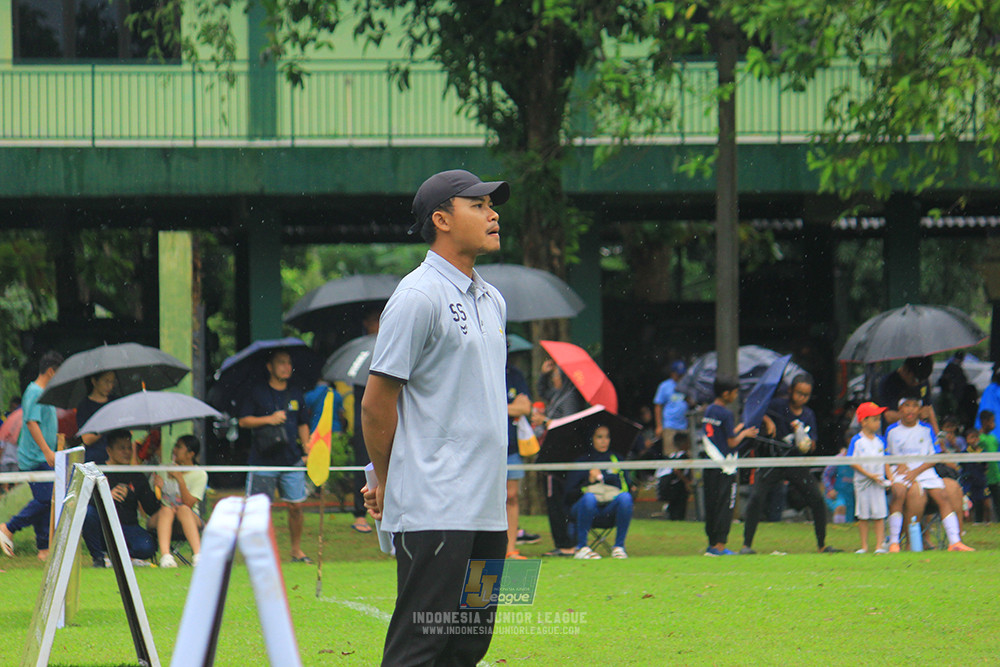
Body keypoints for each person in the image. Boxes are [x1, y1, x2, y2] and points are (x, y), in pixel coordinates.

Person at [361, 168, 510, 665]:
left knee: (468, 644)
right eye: (479, 205)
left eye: (493, 204)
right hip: (435, 506)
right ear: (442, 219)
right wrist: (387, 479)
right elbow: (376, 403)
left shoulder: (494, 300)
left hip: (487, 508)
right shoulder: (417, 297)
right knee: (421, 644)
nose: (493, 214)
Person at [741, 374, 839, 554]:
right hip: (774, 461)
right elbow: (756, 410)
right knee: (756, 498)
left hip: (796, 463)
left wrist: (807, 442)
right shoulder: (777, 405)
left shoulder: (809, 415)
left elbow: (812, 445)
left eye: (806, 395)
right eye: (799, 393)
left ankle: (822, 545)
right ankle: (746, 545)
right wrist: (768, 421)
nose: (802, 398)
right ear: (791, 391)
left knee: (817, 500)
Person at [238, 348, 312, 563]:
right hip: (263, 461)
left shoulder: (297, 393)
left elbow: (302, 423)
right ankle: (260, 552)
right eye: (281, 362)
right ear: (269, 367)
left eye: (289, 363)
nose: (286, 367)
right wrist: (268, 419)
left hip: (292, 460)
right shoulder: (257, 392)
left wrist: (307, 447)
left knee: (296, 506)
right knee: (259, 510)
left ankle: (296, 550)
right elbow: (243, 421)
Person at [885, 396, 973, 552]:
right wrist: (897, 464)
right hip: (902, 473)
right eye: (906, 405)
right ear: (900, 409)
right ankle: (894, 542)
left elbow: (935, 456)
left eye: (914, 406)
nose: (910, 409)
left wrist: (917, 471)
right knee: (899, 493)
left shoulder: (927, 429)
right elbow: (887, 456)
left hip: (925, 471)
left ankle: (955, 542)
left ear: (919, 410)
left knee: (942, 496)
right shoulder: (892, 431)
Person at [0, 351, 64, 560]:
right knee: (47, 498)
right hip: (35, 456)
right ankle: (8, 527)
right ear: (51, 371)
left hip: (43, 455)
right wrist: (47, 451)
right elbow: (31, 422)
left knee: (44, 499)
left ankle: (44, 548)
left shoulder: (43, 393)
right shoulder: (35, 392)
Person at [82, 430, 159, 567]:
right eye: (121, 448)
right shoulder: (97, 471)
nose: (127, 452)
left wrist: (156, 487)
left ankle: (120, 556)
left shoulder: (136, 475)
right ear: (109, 451)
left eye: (129, 448)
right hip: (104, 527)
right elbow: (83, 502)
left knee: (147, 546)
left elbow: (151, 508)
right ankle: (99, 557)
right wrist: (106, 496)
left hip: (128, 527)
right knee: (88, 513)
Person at [536, 356, 588, 557]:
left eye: (556, 372)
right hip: (555, 453)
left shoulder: (571, 396)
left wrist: (545, 420)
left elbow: (568, 425)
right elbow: (544, 392)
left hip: (559, 457)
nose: (554, 376)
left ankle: (565, 544)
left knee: (556, 500)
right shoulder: (560, 393)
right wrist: (543, 374)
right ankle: (566, 542)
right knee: (556, 499)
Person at [701, 374, 758, 556]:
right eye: (734, 393)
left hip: (710, 465)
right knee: (725, 505)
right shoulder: (726, 413)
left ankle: (711, 544)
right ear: (726, 394)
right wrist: (745, 434)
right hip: (725, 467)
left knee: (712, 504)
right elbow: (732, 443)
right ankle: (720, 546)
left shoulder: (710, 410)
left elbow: (719, 436)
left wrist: (738, 429)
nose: (735, 396)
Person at [565, 425, 634, 559]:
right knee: (589, 498)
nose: (604, 441)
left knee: (625, 498)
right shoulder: (582, 461)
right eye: (599, 437)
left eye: (607, 437)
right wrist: (588, 481)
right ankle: (581, 548)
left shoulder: (616, 459)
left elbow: (627, 487)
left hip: (610, 508)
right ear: (591, 439)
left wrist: (608, 479)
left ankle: (619, 547)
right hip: (586, 509)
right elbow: (569, 495)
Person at [153, 435, 208, 567]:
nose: (174, 450)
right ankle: (166, 557)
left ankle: (198, 555)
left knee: (183, 509)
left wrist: (179, 479)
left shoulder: (200, 474)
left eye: (179, 447)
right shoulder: (163, 469)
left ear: (190, 454)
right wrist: (156, 486)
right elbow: (153, 500)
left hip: (189, 516)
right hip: (164, 516)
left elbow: (189, 503)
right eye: (175, 446)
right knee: (166, 510)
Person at [847, 402, 891, 553]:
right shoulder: (857, 441)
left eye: (879, 419)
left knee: (880, 514)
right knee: (863, 515)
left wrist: (889, 478)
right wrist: (869, 475)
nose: (878, 423)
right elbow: (852, 461)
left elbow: (886, 461)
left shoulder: (881, 440)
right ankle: (864, 546)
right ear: (863, 421)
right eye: (874, 419)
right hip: (862, 483)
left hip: (878, 483)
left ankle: (879, 545)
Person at [504, 363, 532, 560]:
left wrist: (498, 406)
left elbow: (525, 407)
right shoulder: (481, 368)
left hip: (512, 448)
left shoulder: (514, 374)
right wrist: (511, 407)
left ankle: (510, 548)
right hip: (485, 448)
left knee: (511, 496)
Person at [878, 356, 938, 432]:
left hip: (919, 434)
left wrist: (938, 435)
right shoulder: (888, 383)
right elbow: (888, 416)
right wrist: (915, 415)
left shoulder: (922, 380)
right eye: (915, 379)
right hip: (896, 435)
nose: (917, 383)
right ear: (905, 370)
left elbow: (929, 409)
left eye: (921, 381)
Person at [75, 370, 116, 463]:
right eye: (106, 381)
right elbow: (87, 439)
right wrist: (107, 423)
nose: (110, 386)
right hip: (94, 460)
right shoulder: (85, 406)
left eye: (112, 382)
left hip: (115, 460)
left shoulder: (115, 402)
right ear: (94, 381)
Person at [653, 360, 689, 455]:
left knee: (686, 454)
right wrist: (659, 426)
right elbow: (658, 406)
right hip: (670, 425)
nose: (680, 377)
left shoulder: (686, 385)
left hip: (684, 426)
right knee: (670, 454)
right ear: (672, 374)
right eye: (678, 375)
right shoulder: (665, 386)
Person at [656, 431, 693, 520]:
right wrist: (687, 482)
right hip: (678, 488)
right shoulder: (684, 456)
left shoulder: (671, 455)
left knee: (673, 510)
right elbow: (677, 470)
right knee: (679, 510)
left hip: (669, 487)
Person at [961, 427, 988, 524]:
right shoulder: (964, 453)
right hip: (969, 483)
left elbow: (986, 466)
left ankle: (986, 522)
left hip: (981, 481)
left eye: (976, 437)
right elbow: (961, 467)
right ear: (967, 440)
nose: (974, 440)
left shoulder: (983, 452)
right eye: (972, 437)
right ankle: (969, 523)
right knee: (969, 505)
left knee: (985, 503)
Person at [822, 448, 855, 524]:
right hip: (837, 493)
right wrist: (830, 489)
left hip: (850, 494)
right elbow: (826, 475)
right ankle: (838, 528)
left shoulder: (859, 460)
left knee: (849, 519)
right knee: (840, 507)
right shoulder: (837, 460)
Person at [978, 410, 1000, 522]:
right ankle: (980, 522)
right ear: (985, 422)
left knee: (997, 502)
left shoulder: (994, 438)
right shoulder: (979, 439)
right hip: (983, 479)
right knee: (983, 503)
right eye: (992, 421)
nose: (994, 424)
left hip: (995, 477)